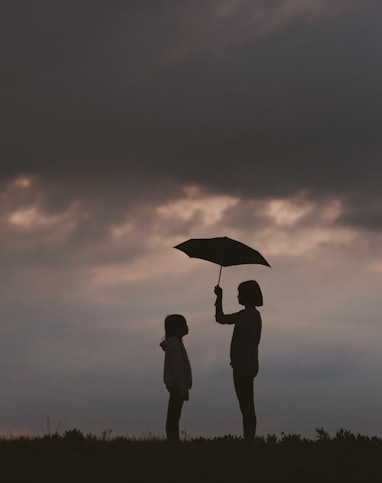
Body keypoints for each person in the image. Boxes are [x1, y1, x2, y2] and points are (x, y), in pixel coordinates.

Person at [214, 280, 263, 441]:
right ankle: (248, 438)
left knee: (247, 405)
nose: (237, 296)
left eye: (240, 293)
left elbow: (249, 343)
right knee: (245, 405)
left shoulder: (252, 315)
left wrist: (242, 362)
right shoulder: (245, 314)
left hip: (245, 365)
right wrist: (219, 298)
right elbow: (220, 318)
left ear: (248, 296)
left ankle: (249, 439)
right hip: (242, 365)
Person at [160, 314, 192, 442]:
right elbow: (178, 369)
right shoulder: (175, 346)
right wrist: (183, 389)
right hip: (177, 387)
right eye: (184, 324)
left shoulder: (176, 345)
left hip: (176, 386)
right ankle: (173, 441)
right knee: (174, 416)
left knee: (174, 416)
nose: (187, 326)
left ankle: (173, 440)